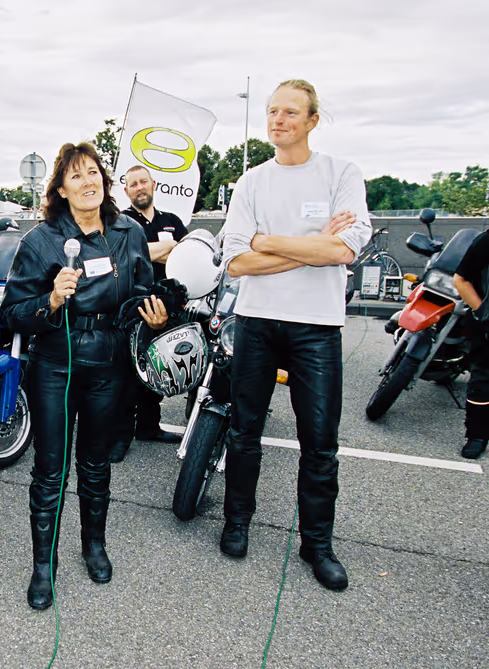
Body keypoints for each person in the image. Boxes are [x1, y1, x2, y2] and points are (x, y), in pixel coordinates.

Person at [1, 142, 168, 611]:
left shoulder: (129, 232)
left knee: (96, 465)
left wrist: (152, 317)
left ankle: (94, 545)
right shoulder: (42, 240)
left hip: (110, 365)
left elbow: (140, 295)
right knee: (51, 471)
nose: (87, 182)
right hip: (56, 365)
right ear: (59, 188)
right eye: (75, 176)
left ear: (104, 180)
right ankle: (43, 566)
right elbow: (14, 314)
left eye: (93, 172)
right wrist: (51, 301)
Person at [218, 79, 371, 592]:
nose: (277, 120)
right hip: (258, 322)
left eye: (290, 112)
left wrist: (268, 242)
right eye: (271, 111)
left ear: (311, 121)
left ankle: (317, 544)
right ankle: (236, 523)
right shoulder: (251, 182)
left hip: (318, 328)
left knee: (320, 443)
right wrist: (312, 242)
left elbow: (343, 251)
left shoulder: (341, 174)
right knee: (243, 433)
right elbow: (237, 262)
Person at [109, 164, 188, 462]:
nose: (140, 187)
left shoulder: (173, 220)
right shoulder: (122, 222)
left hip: (169, 307)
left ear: (154, 184)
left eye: (144, 181)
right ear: (126, 190)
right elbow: (125, 258)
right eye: (133, 184)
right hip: (133, 306)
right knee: (128, 374)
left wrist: (159, 248)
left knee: (158, 368)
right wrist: (168, 247)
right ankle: (121, 436)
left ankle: (149, 426)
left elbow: (187, 255)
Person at [452, 236, 489, 459]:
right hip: (486, 324)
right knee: (483, 380)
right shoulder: (485, 242)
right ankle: (477, 435)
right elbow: (460, 280)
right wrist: (484, 315)